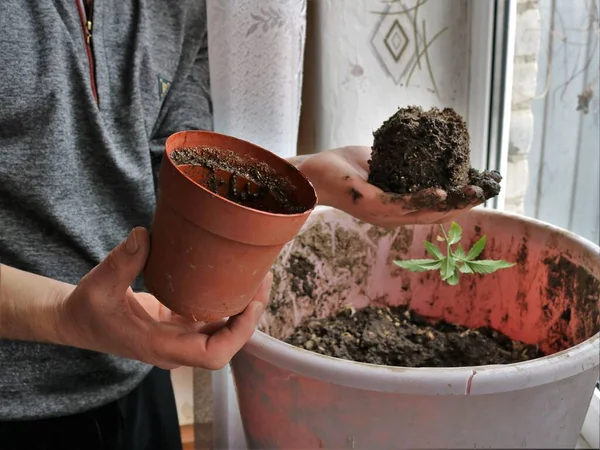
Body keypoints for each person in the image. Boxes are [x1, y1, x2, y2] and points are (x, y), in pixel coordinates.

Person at [0, 1, 491, 449]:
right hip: (17, 401)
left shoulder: (170, 8)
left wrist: (301, 178)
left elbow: (178, 178)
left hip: (133, 366)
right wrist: (64, 315)